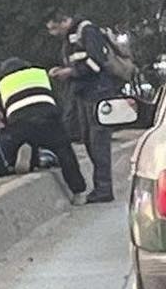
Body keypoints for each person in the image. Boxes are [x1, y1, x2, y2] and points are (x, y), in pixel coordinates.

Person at [46, 12, 118, 203]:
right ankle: (100, 187)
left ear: (63, 21)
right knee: (87, 139)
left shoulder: (88, 31)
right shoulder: (70, 39)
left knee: (98, 140)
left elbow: (96, 64)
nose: (53, 33)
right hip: (83, 94)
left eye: (54, 28)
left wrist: (71, 72)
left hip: (98, 93)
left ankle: (104, 189)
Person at [0, 58, 88, 205]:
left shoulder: (3, 84)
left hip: (20, 124)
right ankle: (78, 192)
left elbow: (3, 112)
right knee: (64, 152)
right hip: (47, 119)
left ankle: (22, 157)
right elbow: (56, 100)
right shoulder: (40, 74)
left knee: (15, 139)